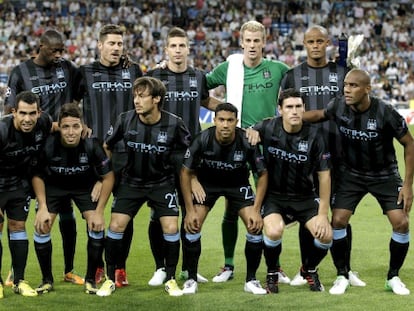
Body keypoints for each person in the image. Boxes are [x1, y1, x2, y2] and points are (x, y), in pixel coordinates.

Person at [303, 68, 414, 295]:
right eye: (346, 85)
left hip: (384, 174)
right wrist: (290, 117)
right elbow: (319, 115)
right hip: (350, 174)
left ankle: (393, 277)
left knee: (401, 222)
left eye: (353, 85)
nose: (347, 89)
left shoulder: (386, 112)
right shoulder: (339, 106)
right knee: (339, 220)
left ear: (367, 89)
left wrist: (408, 185)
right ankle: (342, 274)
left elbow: (410, 144)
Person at [280, 25, 365, 287]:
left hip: (340, 154)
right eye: (310, 41)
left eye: (320, 41)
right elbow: (284, 115)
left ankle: (345, 270)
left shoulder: (342, 73)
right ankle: (307, 269)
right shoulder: (293, 76)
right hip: (303, 158)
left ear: (328, 43)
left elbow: (358, 105)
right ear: (303, 44)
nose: (315, 45)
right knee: (310, 215)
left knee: (340, 215)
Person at [205, 20, 290, 284]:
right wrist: (226, 112)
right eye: (248, 41)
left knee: (270, 207)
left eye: (257, 41)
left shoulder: (278, 69)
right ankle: (229, 265)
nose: (252, 46)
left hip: (269, 144)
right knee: (232, 206)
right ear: (241, 42)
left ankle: (274, 266)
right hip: (237, 144)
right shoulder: (229, 68)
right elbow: (200, 88)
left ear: (264, 42)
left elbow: (304, 83)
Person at [3, 29, 84, 286]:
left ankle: (68, 270)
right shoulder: (20, 72)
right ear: (41, 47)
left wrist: (75, 128)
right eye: (55, 51)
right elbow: (10, 111)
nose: (60, 55)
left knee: (64, 209)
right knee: (24, 213)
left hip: (58, 148)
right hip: (28, 148)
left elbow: (86, 89)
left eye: (63, 50)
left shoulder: (68, 68)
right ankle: (16, 271)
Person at [98, 76, 190, 297]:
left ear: (157, 99)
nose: (137, 101)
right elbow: (106, 145)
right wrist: (105, 175)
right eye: (135, 96)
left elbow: (189, 153)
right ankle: (110, 278)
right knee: (116, 226)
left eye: (142, 96)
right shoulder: (124, 119)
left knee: (170, 228)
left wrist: (191, 179)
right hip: (131, 182)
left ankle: (170, 279)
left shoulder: (174, 123)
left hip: (162, 183)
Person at [145, 26, 220, 286]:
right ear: (166, 49)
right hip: (161, 155)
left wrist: (230, 108)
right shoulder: (155, 76)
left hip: (191, 156)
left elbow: (206, 101)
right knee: (159, 214)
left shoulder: (197, 76)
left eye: (182, 46)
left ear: (189, 49)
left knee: (193, 213)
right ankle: (161, 268)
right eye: (173, 46)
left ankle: (190, 270)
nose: (178, 50)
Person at [76, 24, 143, 287]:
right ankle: (97, 267)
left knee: (123, 214)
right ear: (100, 45)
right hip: (95, 154)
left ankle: (119, 268)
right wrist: (79, 123)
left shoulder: (133, 70)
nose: (116, 48)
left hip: (127, 153)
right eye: (111, 43)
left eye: (120, 43)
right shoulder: (84, 72)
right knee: (94, 212)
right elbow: (69, 103)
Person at [248, 88, 332, 293]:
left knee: (326, 236)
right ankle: (272, 272)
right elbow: (248, 131)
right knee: (274, 231)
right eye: (289, 107)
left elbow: (325, 176)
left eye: (298, 107)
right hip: (275, 197)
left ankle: (309, 268)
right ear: (280, 110)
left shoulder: (315, 135)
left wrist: (322, 214)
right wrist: (250, 130)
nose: (294, 111)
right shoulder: (267, 127)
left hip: (304, 197)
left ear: (304, 108)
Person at [180, 103, 268, 295]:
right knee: (193, 224)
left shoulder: (246, 141)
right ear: (214, 120)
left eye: (230, 120)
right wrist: (189, 210)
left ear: (236, 122)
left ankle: (251, 280)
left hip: (237, 185)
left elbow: (262, 174)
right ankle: (191, 279)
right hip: (207, 185)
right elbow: (185, 172)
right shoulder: (203, 138)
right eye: (221, 120)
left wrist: (256, 208)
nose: (225, 124)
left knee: (255, 225)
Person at [31, 103, 114, 295]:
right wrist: (42, 206)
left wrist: (100, 212)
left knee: (96, 224)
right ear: (58, 126)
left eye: (75, 126)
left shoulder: (92, 144)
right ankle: (47, 280)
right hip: (55, 187)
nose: (70, 132)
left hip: (84, 187)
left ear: (82, 127)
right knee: (42, 225)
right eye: (65, 126)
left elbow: (109, 176)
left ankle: (91, 279)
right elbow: (37, 175)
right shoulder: (48, 144)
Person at [0, 91, 52, 298]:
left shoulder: (44, 123)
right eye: (22, 113)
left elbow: (55, 127)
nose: (27, 119)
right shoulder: (2, 131)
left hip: (20, 184)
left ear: (39, 113)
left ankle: (19, 280)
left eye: (32, 113)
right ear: (14, 112)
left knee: (18, 227)